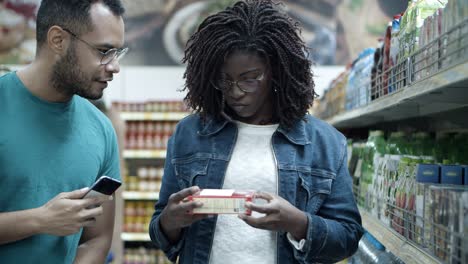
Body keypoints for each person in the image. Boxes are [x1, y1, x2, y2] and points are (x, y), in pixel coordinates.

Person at [149, 1, 363, 263]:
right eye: (224, 80)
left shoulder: (324, 142)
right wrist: (170, 220)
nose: (235, 91)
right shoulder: (190, 133)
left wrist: (297, 222)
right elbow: (160, 231)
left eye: (250, 78)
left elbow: (348, 237)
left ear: (277, 73)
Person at [0, 0, 127, 263]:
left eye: (117, 53)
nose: (114, 66)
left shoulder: (101, 129)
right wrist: (39, 220)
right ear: (58, 40)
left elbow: (96, 238)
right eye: (104, 51)